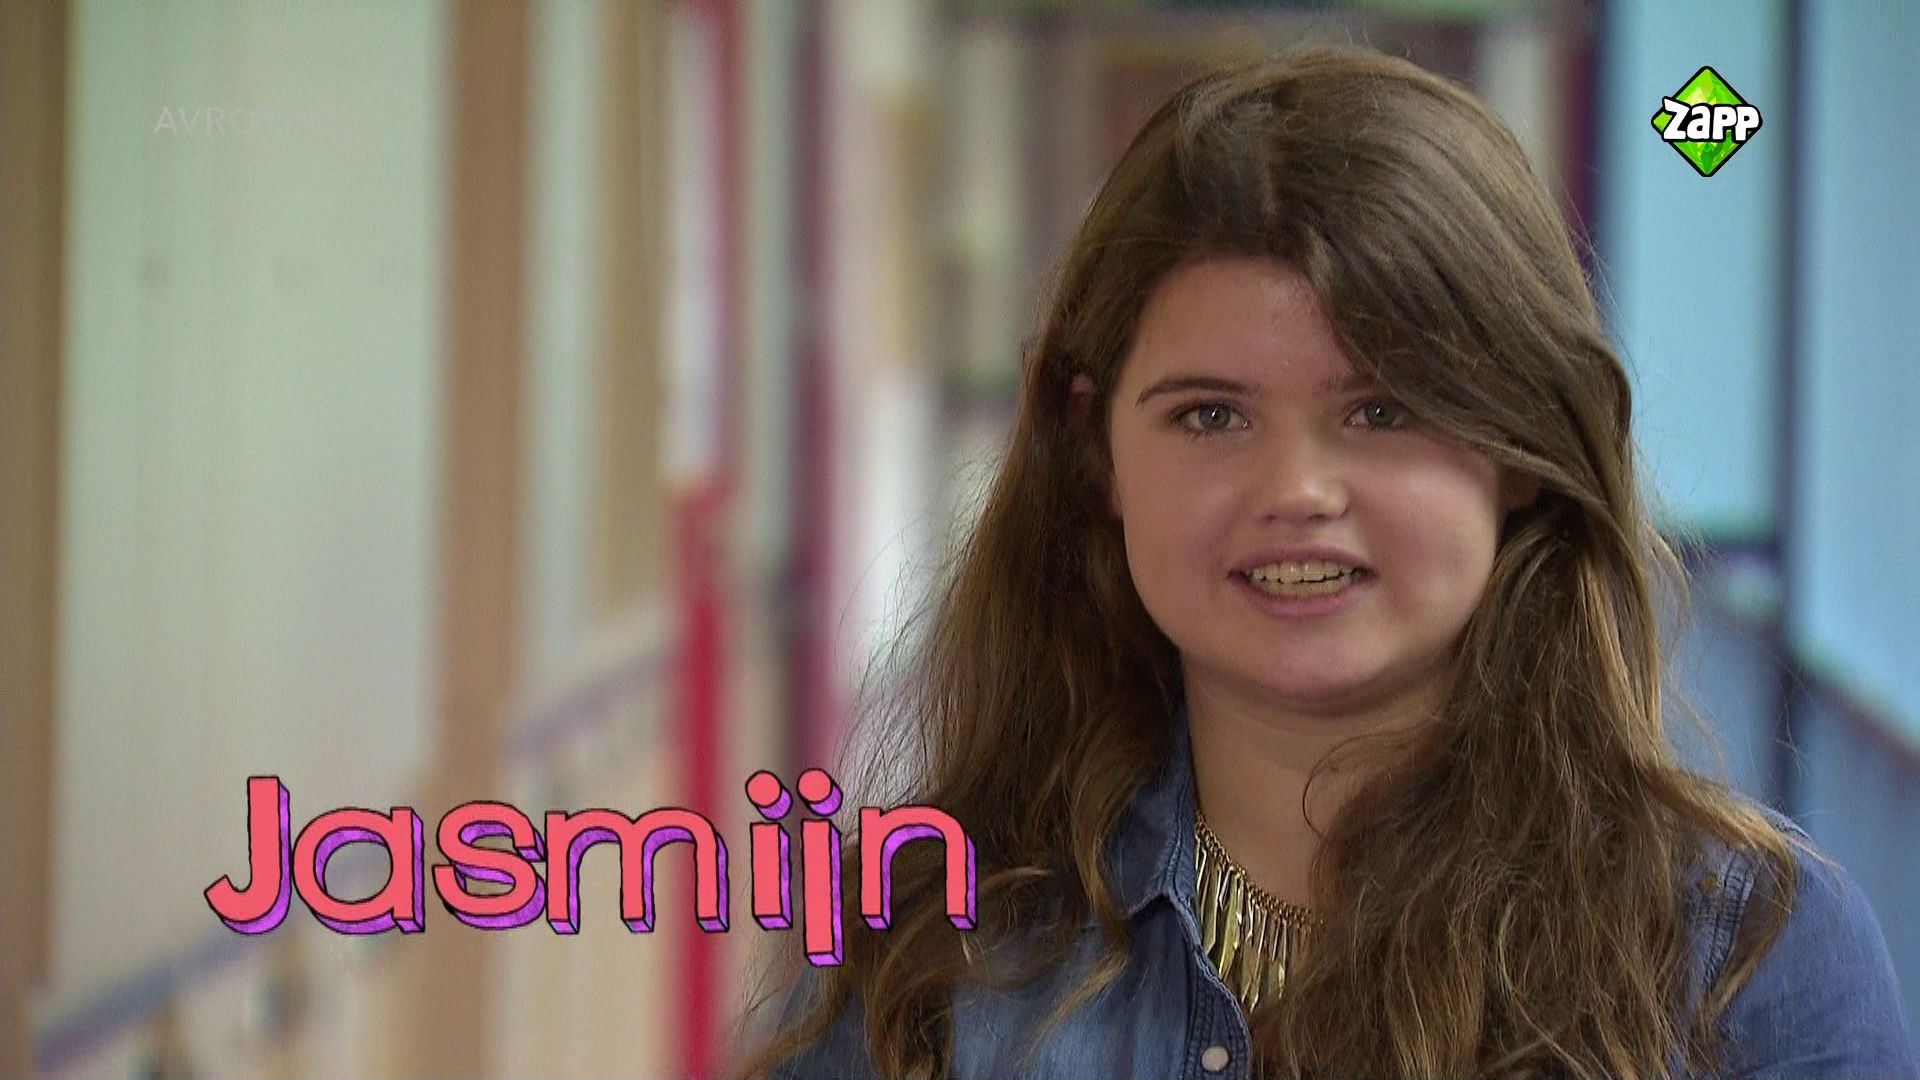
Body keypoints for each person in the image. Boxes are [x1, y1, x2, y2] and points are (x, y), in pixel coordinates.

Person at [733, 45, 1916, 1079]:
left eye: (1382, 411)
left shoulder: (1745, 954)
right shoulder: (919, 944)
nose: (1296, 491)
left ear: (1522, 452)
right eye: (1210, 416)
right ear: (1098, 452)